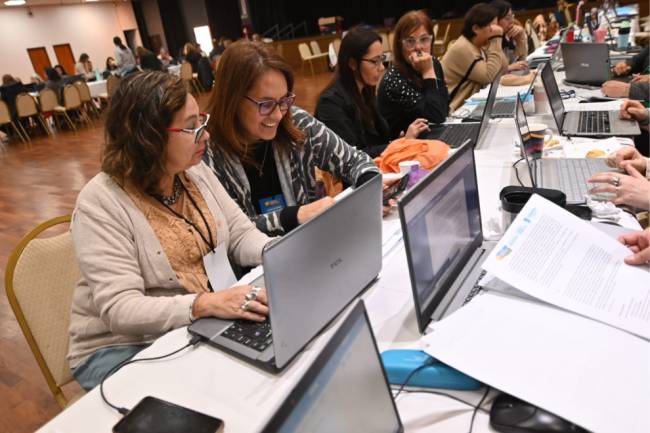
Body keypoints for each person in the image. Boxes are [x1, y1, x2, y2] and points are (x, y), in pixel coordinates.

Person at [68, 71, 272, 390]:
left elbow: (241, 234)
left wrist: (281, 255)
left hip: (191, 321)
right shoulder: (100, 203)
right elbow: (121, 309)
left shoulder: (193, 171)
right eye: (190, 127)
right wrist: (204, 304)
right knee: (221, 392)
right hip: (119, 346)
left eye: (200, 122)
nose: (204, 136)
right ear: (147, 139)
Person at [203, 40, 380, 236]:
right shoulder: (206, 152)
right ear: (232, 99)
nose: (278, 115)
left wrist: (370, 186)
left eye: (284, 101)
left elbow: (355, 160)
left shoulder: (297, 122)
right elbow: (229, 232)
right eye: (266, 104)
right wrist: (294, 216)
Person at [315, 28, 430, 158]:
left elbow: (380, 139)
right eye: (375, 61)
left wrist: (402, 139)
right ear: (352, 63)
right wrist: (400, 145)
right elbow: (351, 156)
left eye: (382, 59)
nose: (381, 67)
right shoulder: (330, 103)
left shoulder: (365, 91)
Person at [377, 10, 449, 138]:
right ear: (400, 45)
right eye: (410, 41)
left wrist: (429, 70)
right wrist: (428, 72)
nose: (418, 47)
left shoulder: (434, 63)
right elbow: (435, 117)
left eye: (424, 40)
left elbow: (444, 106)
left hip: (432, 136)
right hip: (404, 148)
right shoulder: (394, 79)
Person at [441, 3, 508, 111]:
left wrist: (494, 44)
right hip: (456, 111)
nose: (495, 30)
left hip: (472, 107)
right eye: (491, 26)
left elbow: (503, 69)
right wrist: (496, 39)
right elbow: (488, 77)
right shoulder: (462, 48)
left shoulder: (480, 45)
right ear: (476, 28)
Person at [491, 0, 528, 71]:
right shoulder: (489, 42)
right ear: (495, 21)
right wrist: (508, 68)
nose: (512, 21)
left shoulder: (509, 36)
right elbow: (489, 76)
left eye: (512, 16)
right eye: (507, 18)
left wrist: (521, 39)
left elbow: (521, 62)